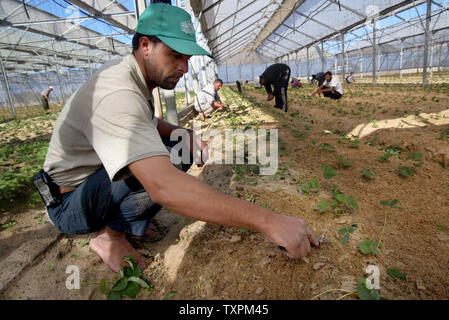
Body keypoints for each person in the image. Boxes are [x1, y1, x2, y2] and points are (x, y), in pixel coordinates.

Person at [36, 3, 318, 273]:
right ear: (145, 45)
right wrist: (268, 220)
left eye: (187, 58)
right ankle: (108, 237)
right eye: (175, 55)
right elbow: (163, 186)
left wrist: (186, 133)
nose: (184, 67)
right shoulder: (117, 92)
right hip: (71, 204)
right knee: (162, 170)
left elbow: (148, 121)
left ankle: (127, 220)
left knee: (180, 147)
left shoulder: (133, 76)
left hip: (95, 183)